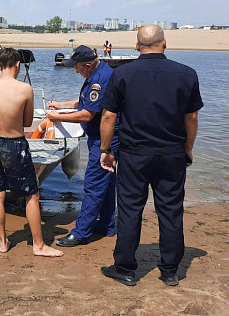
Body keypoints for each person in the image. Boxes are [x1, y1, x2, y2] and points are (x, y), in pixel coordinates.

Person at [99, 24, 203, 287]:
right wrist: (188, 147)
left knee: (130, 210)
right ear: (164, 43)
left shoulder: (122, 74)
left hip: (135, 154)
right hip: (172, 153)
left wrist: (105, 149)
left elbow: (109, 115)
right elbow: (191, 117)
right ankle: (169, 270)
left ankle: (124, 268)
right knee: (170, 211)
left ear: (137, 46)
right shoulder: (186, 74)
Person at [0, 48, 63, 258]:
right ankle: (38, 245)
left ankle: (2, 242)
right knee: (31, 195)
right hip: (14, 144)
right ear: (17, 64)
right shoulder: (25, 89)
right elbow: (27, 123)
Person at [45, 45, 120, 247]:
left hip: (104, 140)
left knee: (93, 185)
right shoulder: (99, 72)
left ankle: (81, 233)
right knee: (107, 183)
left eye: (77, 68)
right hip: (105, 137)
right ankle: (107, 225)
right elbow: (85, 101)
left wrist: (58, 117)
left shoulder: (99, 80)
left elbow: (88, 114)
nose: (75, 71)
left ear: (87, 65)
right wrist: (62, 105)